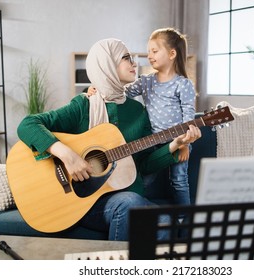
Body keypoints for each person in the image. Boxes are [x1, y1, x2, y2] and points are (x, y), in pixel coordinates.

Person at [16, 38, 201, 241]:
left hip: (125, 196)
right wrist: (67, 155)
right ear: (107, 64)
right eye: (126, 58)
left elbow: (144, 164)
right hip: (83, 202)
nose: (134, 63)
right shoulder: (84, 105)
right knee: (130, 203)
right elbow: (28, 124)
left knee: (165, 221)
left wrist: (175, 144)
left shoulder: (138, 111)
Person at [89, 28, 196, 206]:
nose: (149, 56)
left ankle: (183, 217)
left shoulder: (183, 84)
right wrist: (98, 89)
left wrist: (185, 144)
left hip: (179, 140)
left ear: (171, 54)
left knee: (179, 181)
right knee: (143, 179)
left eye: (154, 51)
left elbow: (189, 117)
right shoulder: (146, 81)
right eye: (148, 52)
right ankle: (138, 207)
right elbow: (121, 92)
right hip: (152, 142)